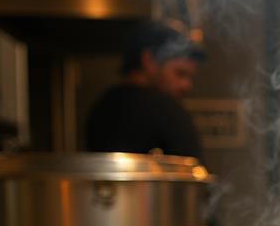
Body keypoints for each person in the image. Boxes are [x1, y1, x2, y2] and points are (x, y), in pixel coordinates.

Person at [86, 20, 205, 159]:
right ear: (149, 60)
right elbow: (196, 174)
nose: (186, 85)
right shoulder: (167, 110)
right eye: (180, 73)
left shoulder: (101, 107)